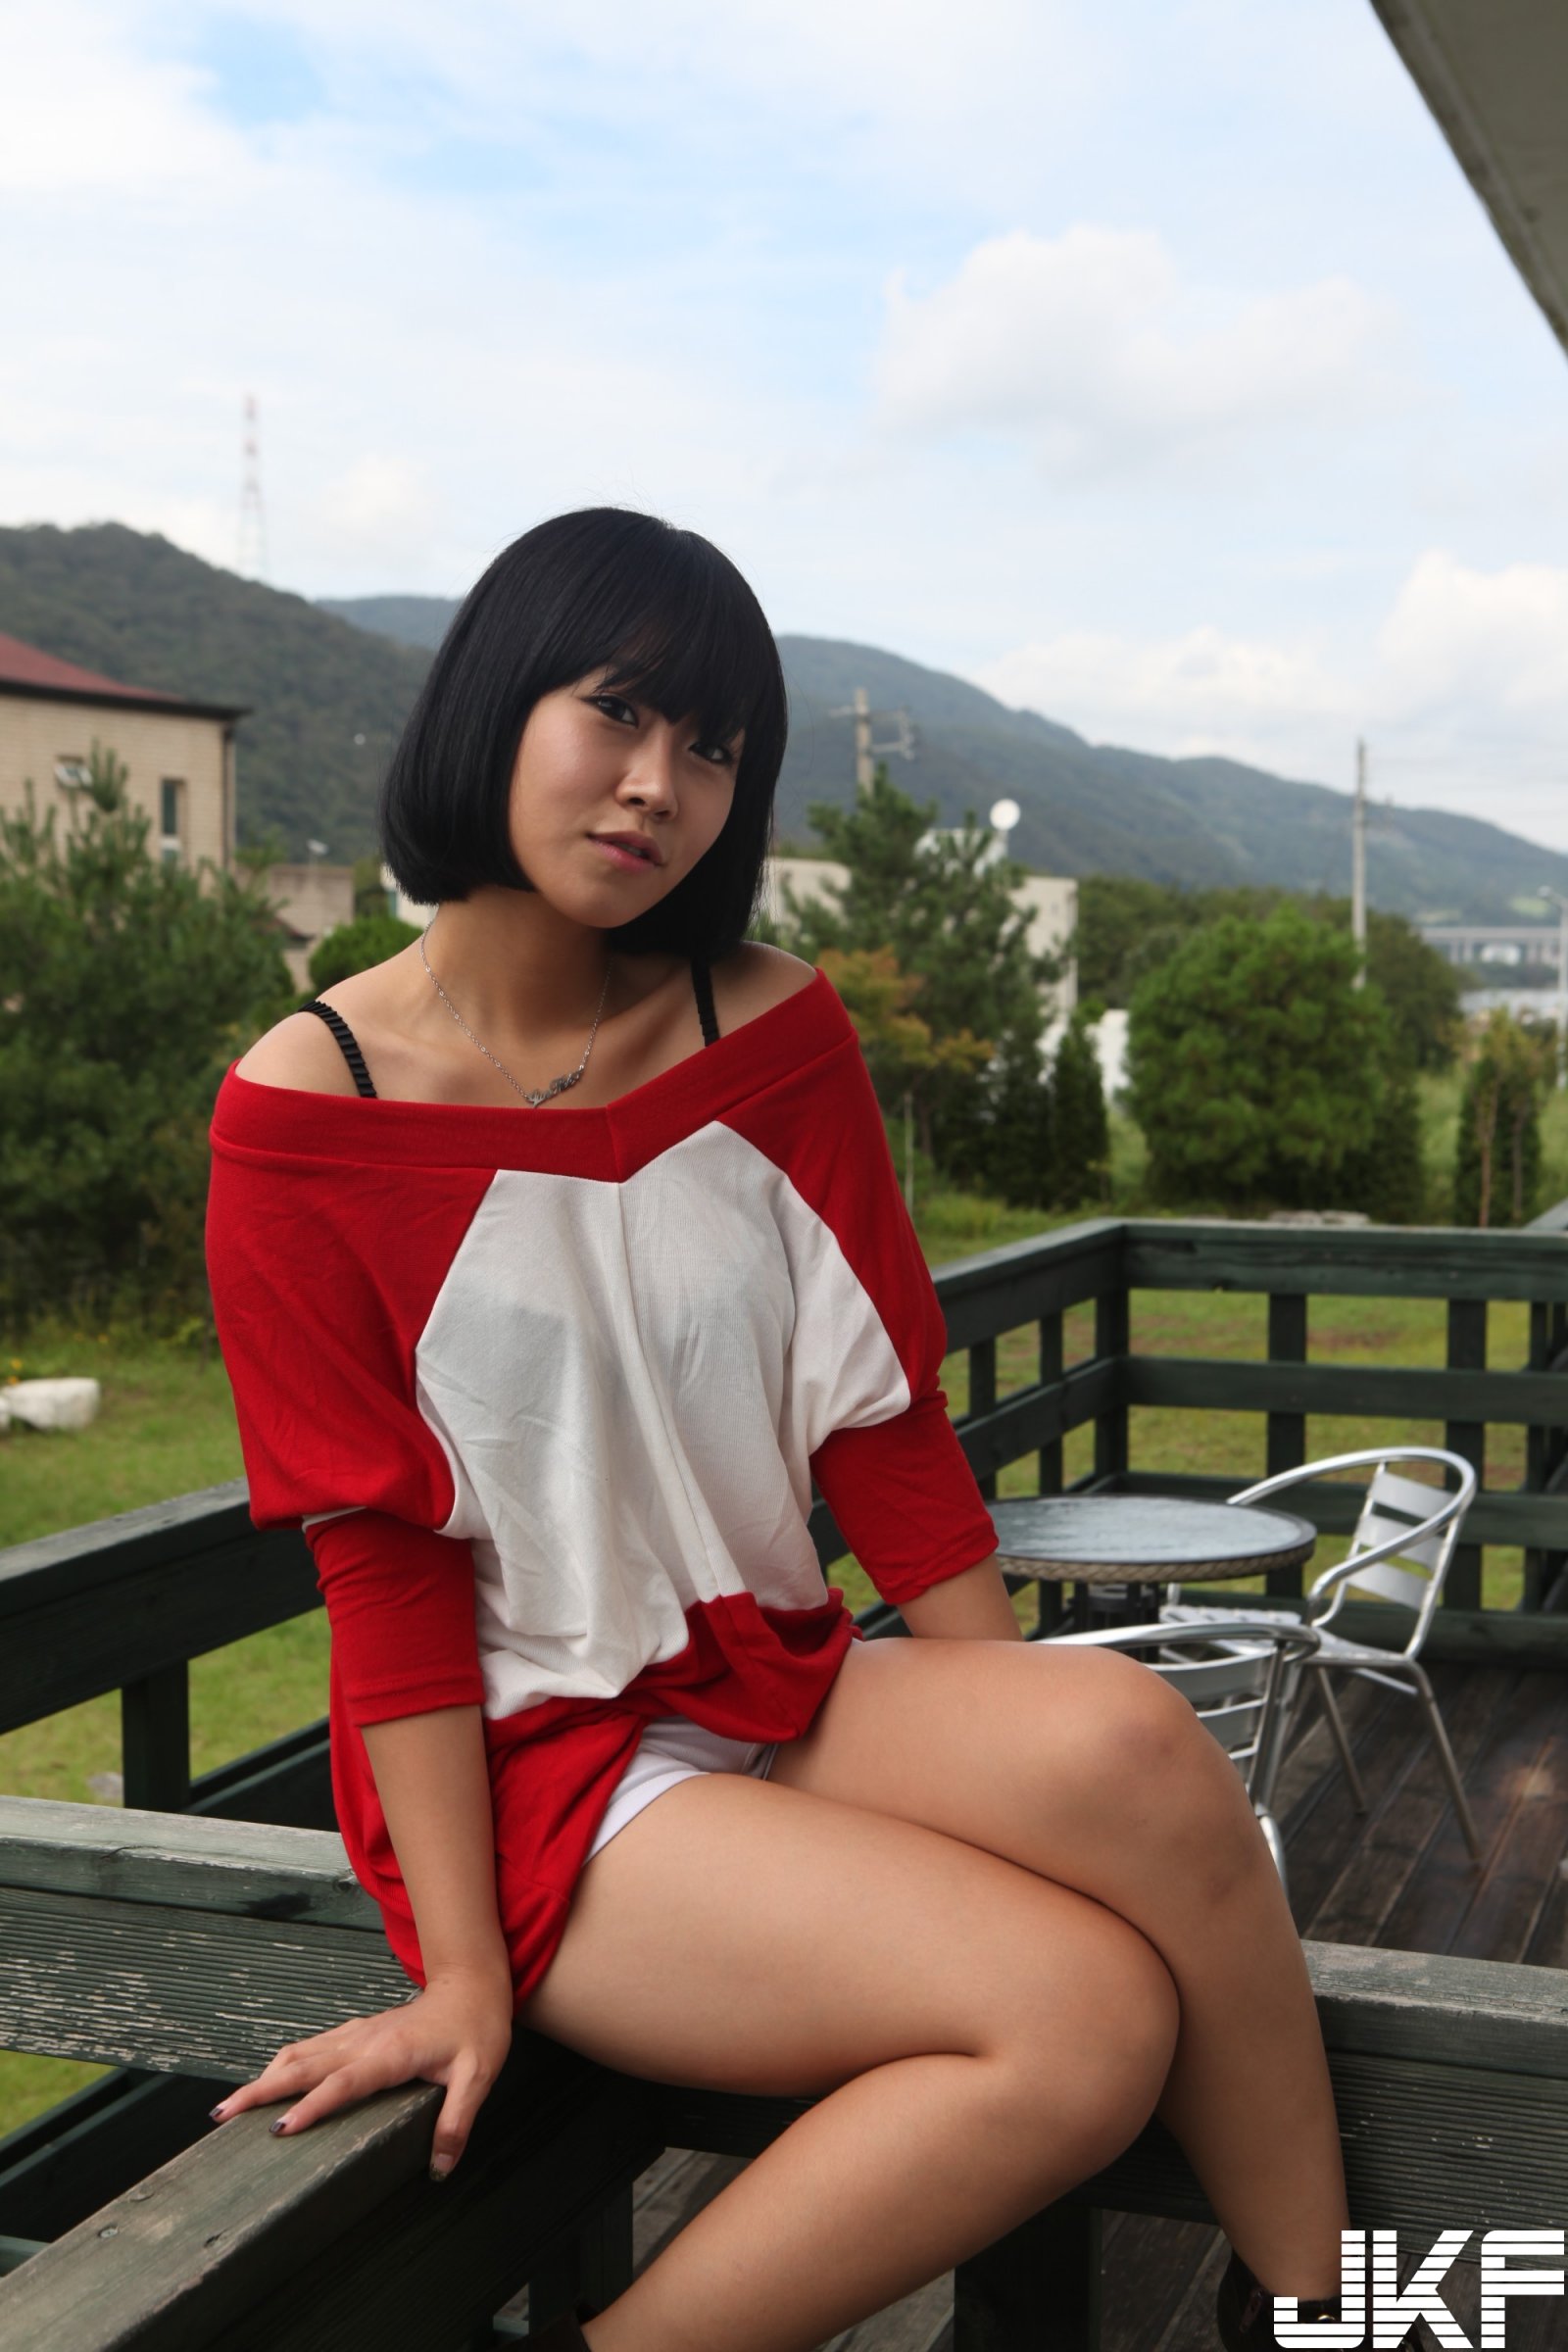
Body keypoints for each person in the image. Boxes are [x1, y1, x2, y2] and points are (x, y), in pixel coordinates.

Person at [204, 507, 1351, 2352]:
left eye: (716, 747)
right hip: (541, 1776)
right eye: (617, 713)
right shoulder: (305, 1112)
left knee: (1136, 1746)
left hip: (770, 1677)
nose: (659, 785)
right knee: (1085, 2017)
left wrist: (1018, 1758)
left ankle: (1322, 2314)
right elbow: (385, 1573)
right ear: (495, 705)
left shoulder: (768, 1023)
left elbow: (882, 1427)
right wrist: (465, 1975)